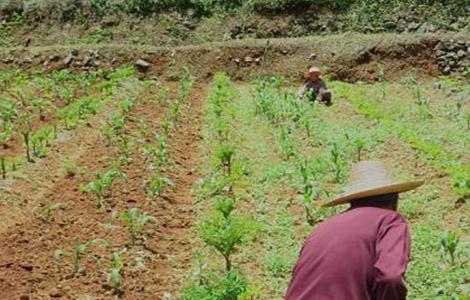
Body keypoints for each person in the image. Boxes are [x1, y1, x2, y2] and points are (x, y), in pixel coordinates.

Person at [285, 160, 424, 300]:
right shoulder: (390, 220)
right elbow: (390, 277)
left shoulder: (323, 227)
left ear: (353, 201)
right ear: (394, 199)